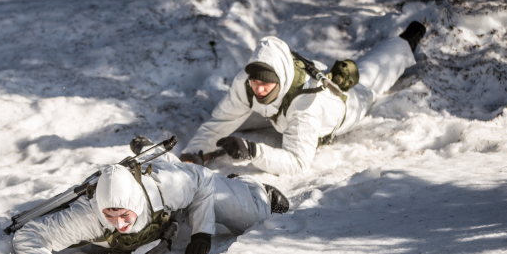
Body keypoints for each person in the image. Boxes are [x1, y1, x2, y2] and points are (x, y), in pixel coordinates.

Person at [12, 141, 290, 254]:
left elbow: (203, 179)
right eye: (109, 215)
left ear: (134, 202)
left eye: (124, 215)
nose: (119, 224)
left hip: (168, 187)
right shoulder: (87, 217)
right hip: (164, 206)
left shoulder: (166, 186)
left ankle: (251, 188)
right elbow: (29, 235)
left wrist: (202, 231)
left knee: (252, 215)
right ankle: (161, 159)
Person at [180, 22, 426, 175]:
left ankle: (406, 42)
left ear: (280, 80)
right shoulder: (248, 82)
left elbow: (297, 163)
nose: (259, 89)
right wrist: (193, 154)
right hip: (281, 112)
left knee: (369, 80)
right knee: (235, 118)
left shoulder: (307, 106)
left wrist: (252, 151)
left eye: (266, 83)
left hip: (340, 107)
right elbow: (220, 122)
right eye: (255, 81)